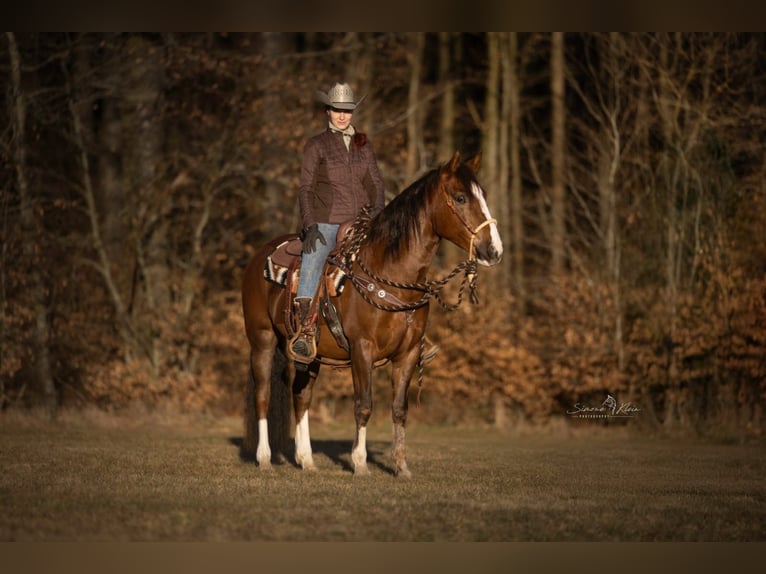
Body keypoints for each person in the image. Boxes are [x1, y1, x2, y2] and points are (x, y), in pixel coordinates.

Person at [290, 82, 438, 366]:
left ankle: (413, 333)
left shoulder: (364, 144)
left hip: (362, 222)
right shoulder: (316, 145)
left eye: (347, 110)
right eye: (337, 110)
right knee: (312, 260)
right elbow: (305, 188)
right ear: (327, 111)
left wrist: (378, 217)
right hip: (326, 221)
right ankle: (305, 331)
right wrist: (310, 224)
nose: (342, 115)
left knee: (397, 263)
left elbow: (376, 183)